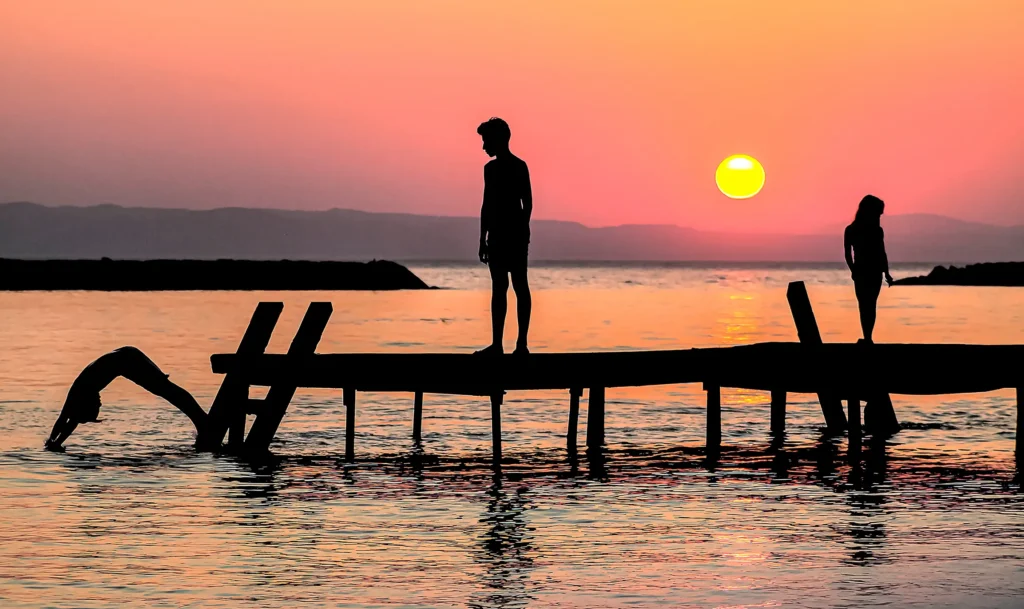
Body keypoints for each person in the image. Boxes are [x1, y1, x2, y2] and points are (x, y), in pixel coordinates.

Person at [44, 346, 207, 450]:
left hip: (129, 360)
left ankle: (201, 421)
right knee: (166, 389)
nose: (100, 403)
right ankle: (201, 421)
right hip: (127, 357)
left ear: (87, 403)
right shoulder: (81, 393)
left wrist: (53, 442)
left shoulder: (80, 391)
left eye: (97, 407)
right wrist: (55, 442)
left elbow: (69, 420)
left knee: (166, 389)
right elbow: (70, 420)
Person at [475, 117, 533, 356]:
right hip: (496, 236)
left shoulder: (519, 166)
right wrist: (482, 238)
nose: (483, 146)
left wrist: (522, 229)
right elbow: (486, 204)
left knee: (519, 285)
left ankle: (521, 345)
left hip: (514, 235)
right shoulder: (489, 169)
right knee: (499, 287)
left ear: (498, 140)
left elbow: (527, 202)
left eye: (486, 141)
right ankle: (497, 345)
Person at [844, 195, 894, 343]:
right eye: (878, 212)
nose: (879, 215)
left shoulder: (869, 230)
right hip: (867, 271)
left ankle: (868, 337)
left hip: (868, 271)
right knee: (869, 304)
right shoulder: (858, 230)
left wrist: (886, 272)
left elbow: (880, 252)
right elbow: (848, 254)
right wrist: (854, 270)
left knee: (866, 304)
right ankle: (868, 337)